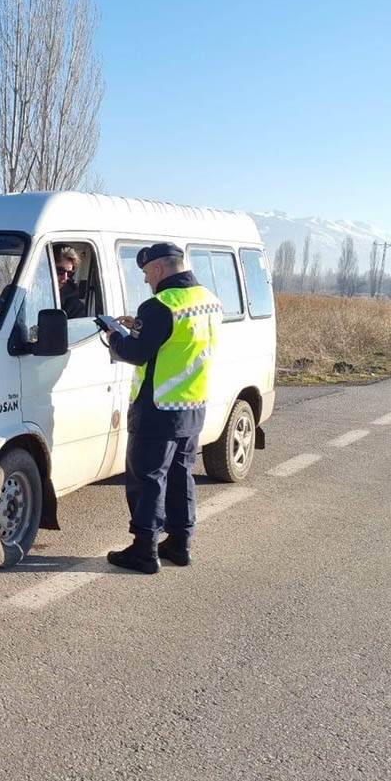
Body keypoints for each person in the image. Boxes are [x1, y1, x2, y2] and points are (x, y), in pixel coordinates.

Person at [103, 242, 223, 574]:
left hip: (157, 408)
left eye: (145, 273)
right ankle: (180, 544)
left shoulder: (160, 305)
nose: (145, 281)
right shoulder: (208, 300)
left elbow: (137, 354)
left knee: (147, 479)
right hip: (192, 406)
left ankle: (144, 550)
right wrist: (140, 327)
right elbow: (175, 342)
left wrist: (114, 335)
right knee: (181, 476)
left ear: (158, 269)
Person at [54, 246, 85, 318]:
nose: (64, 278)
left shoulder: (74, 307)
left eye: (69, 274)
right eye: (60, 271)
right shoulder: (29, 288)